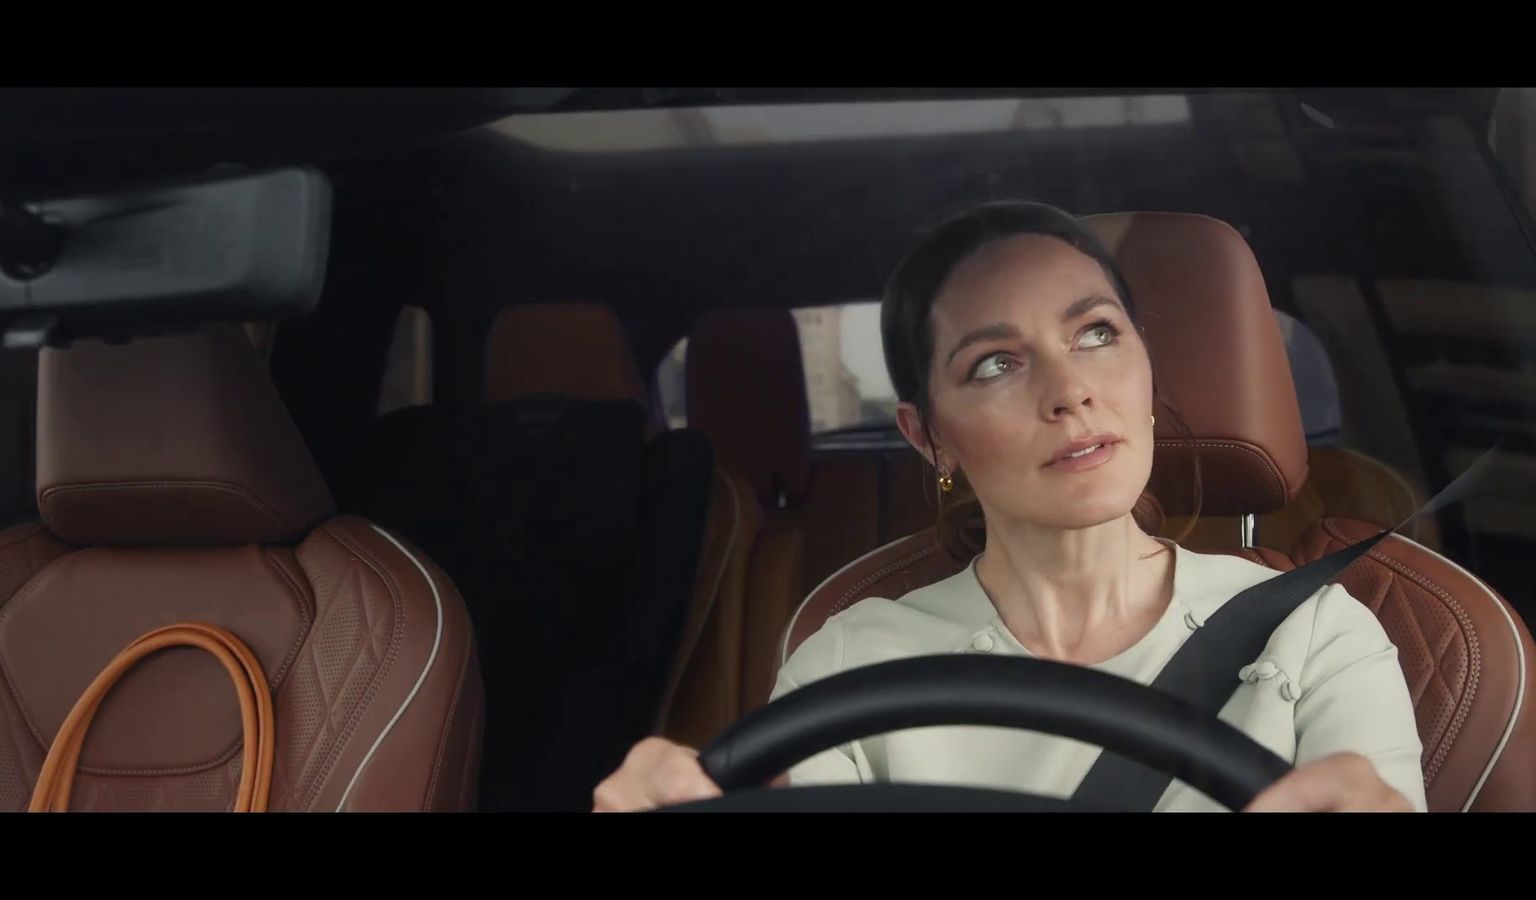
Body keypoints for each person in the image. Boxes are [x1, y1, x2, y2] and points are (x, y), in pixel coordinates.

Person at [593, 201, 1425, 813]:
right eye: (995, 363)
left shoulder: (1319, 633)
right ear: (929, 438)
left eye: (1097, 333)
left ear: (1147, 373)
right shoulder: (849, 659)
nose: (1071, 393)